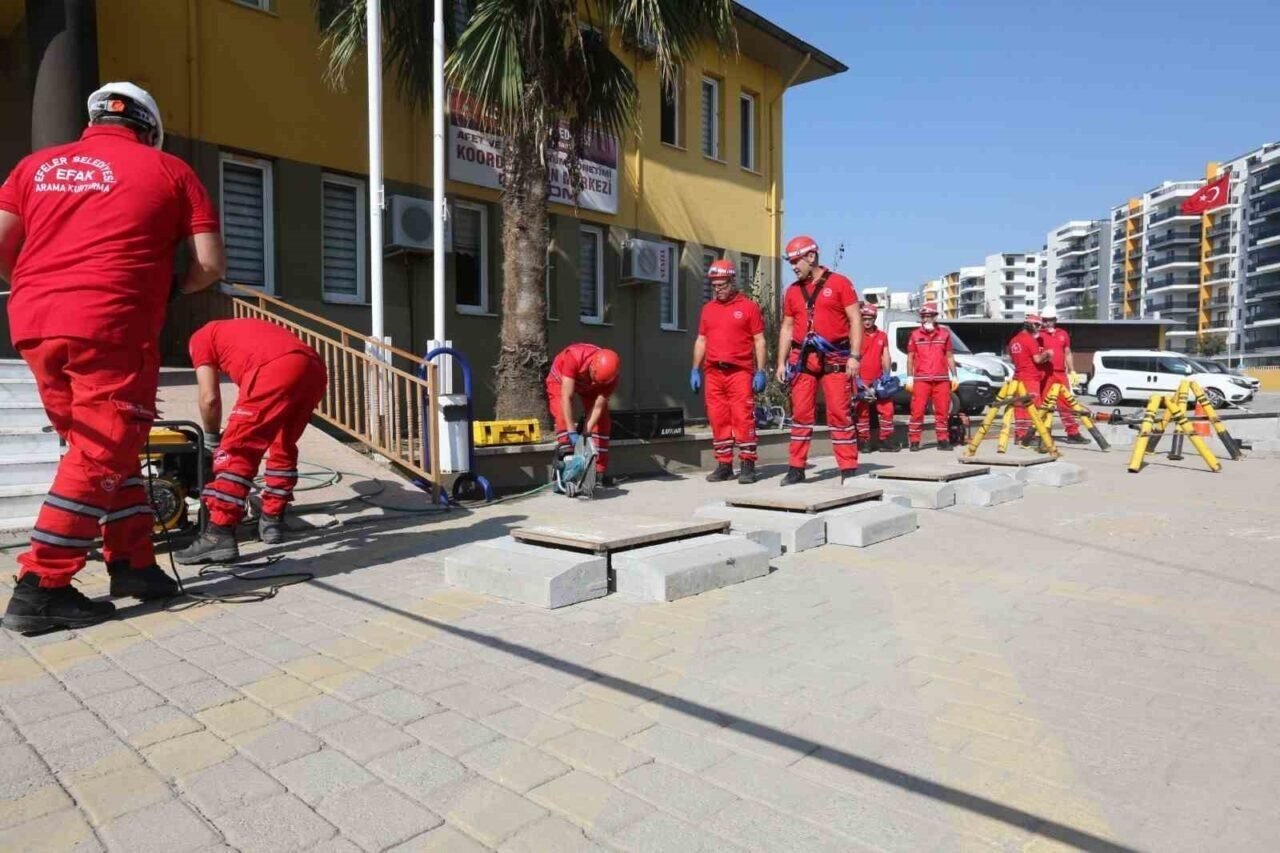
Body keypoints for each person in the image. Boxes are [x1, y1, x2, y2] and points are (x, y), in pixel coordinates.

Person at [0, 82, 224, 633]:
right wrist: (171, 287)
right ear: (150, 129)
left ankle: (134, 564)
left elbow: (2, 244)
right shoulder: (170, 171)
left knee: (101, 449)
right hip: (110, 321)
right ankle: (41, 587)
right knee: (100, 454)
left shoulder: (35, 167)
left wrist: (42, 291)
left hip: (33, 321)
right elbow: (209, 264)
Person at [175, 318, 328, 565]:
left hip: (276, 368)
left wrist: (212, 440)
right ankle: (272, 520)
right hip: (313, 368)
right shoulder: (238, 329)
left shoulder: (200, 338)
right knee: (283, 442)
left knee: (237, 449)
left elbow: (210, 398)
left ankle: (219, 534)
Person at [774, 235, 863, 485]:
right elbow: (787, 327)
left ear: (811, 257)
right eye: (790, 262)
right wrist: (781, 362)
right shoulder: (791, 292)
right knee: (800, 414)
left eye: (796, 261)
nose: (793, 266)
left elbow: (855, 319)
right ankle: (796, 468)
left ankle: (848, 468)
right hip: (803, 360)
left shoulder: (840, 284)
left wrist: (855, 356)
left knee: (839, 414)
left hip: (836, 358)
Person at [691, 259, 767, 484]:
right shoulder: (708, 309)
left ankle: (747, 464)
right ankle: (724, 464)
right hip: (714, 372)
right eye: (714, 285)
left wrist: (760, 371)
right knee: (718, 418)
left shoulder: (748, 307)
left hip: (739, 372)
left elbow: (759, 340)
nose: (718, 289)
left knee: (742, 418)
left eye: (722, 284)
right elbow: (701, 339)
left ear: (733, 281)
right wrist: (695, 369)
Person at [546, 343, 620, 479]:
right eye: (594, 378)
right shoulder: (573, 357)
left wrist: (586, 433)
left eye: (597, 382)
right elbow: (566, 397)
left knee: (603, 421)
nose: (594, 383)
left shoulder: (610, 379)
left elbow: (598, 407)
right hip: (561, 380)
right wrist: (571, 432)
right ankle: (566, 458)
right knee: (562, 414)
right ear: (592, 367)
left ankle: (598, 470)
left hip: (587, 385)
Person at [906, 302, 958, 451]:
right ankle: (914, 441)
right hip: (921, 379)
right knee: (917, 411)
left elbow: (949, 356)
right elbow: (910, 357)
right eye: (924, 316)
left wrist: (954, 376)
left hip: (941, 378)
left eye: (929, 316)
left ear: (935, 317)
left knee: (942, 411)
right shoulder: (915, 335)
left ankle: (943, 440)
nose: (926, 319)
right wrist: (910, 377)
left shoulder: (944, 334)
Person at [1037, 306, 1088, 444]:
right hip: (1046, 374)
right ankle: (1044, 433)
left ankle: (1073, 433)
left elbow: (1067, 352)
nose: (1047, 323)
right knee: (1046, 404)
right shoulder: (1038, 335)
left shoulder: (1063, 334)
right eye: (1045, 320)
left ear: (1055, 320)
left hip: (1060, 374)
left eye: (1050, 320)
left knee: (1065, 404)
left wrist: (1072, 370)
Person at [853, 303, 897, 452]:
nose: (867, 321)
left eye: (870, 318)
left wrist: (887, 374)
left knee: (887, 410)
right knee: (862, 412)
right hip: (861, 380)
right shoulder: (855, 334)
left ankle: (885, 441)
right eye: (864, 318)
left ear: (874, 319)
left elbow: (885, 355)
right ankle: (864, 442)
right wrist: (856, 378)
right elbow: (852, 357)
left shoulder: (882, 336)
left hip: (878, 380)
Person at [1007, 312, 1051, 444]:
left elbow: (1012, 359)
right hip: (1030, 378)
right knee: (1033, 407)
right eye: (1037, 324)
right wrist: (1047, 354)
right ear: (1029, 324)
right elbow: (1037, 359)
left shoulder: (1013, 340)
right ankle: (1028, 436)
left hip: (1018, 377)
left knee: (1019, 407)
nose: (1039, 327)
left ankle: (1019, 434)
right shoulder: (1030, 340)